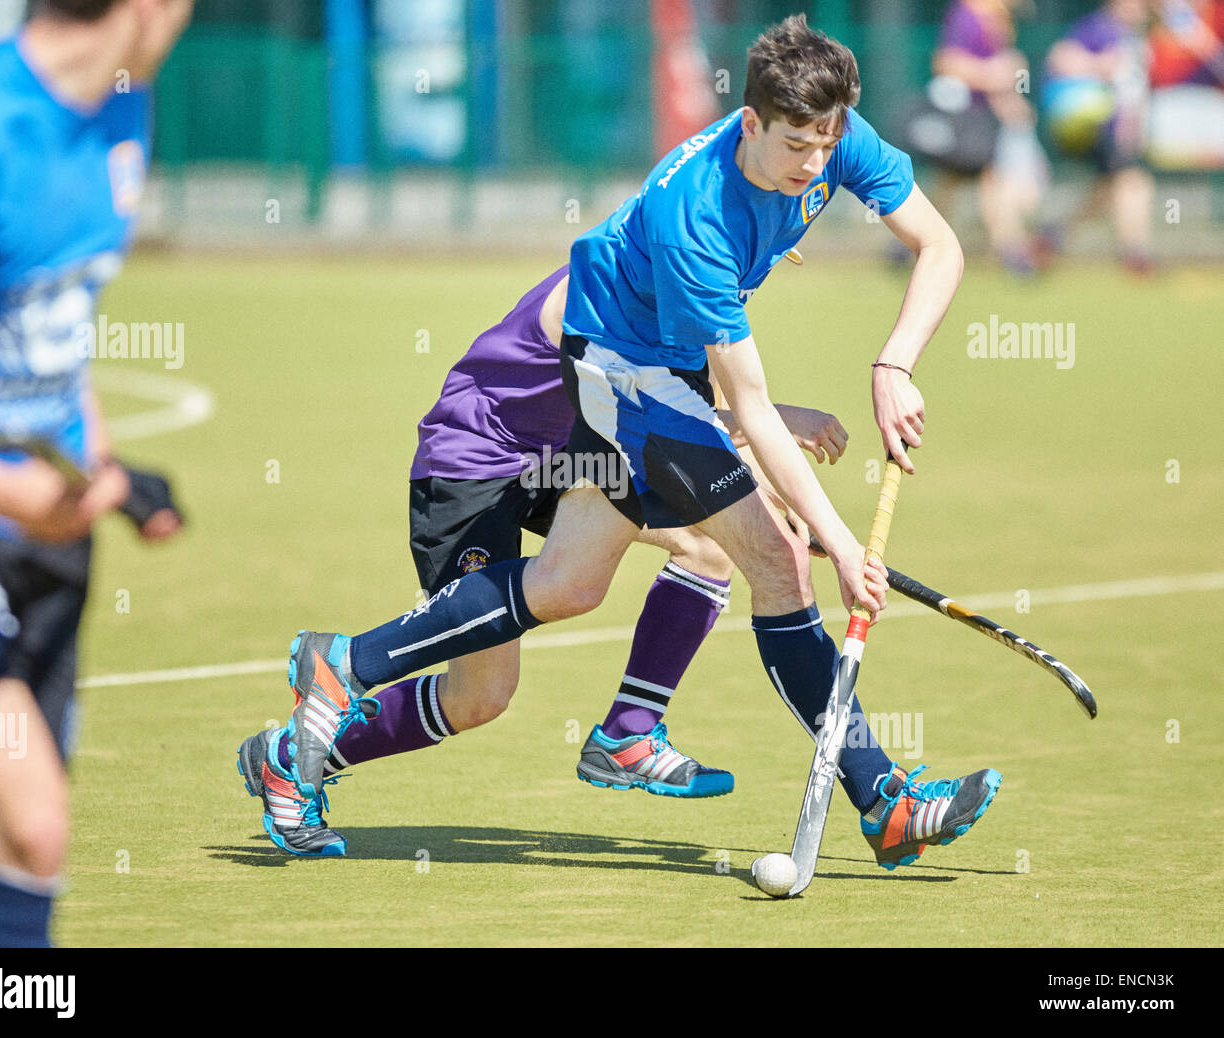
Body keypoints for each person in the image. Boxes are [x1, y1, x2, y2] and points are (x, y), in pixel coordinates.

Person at [279, 15, 1000, 874]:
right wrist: (842, 543)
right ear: (750, 123)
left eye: (826, 142)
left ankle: (355, 666)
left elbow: (939, 244)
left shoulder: (835, 138)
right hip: (609, 381)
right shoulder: (695, 217)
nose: (815, 162)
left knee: (572, 583)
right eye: (796, 144)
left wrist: (895, 363)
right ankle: (883, 801)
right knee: (779, 557)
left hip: (649, 385)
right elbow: (751, 404)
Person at [236, 261, 851, 856]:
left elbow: (683, 421)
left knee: (710, 544)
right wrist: (768, 421)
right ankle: (289, 757)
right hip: (476, 464)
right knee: (480, 696)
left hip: (567, 458)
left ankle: (629, 733)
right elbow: (651, 413)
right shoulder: (595, 294)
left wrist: (768, 508)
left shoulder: (683, 293)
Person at [0, 0, 192, 947]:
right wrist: (2, 490)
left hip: (41, 538)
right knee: (35, 831)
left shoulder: (125, 107)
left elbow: (58, 328)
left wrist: (101, 470)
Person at [929, 0, 1052, 275]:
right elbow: (946, 63)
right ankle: (1011, 251)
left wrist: (1010, 101)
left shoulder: (997, 16)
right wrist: (992, 76)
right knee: (976, 177)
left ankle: (1010, 250)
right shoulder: (967, 13)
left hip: (985, 116)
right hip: (964, 116)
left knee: (968, 178)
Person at [1044, 0, 1156, 274]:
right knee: (1134, 182)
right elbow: (1059, 59)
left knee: (1108, 190)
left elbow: (1133, 91)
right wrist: (1099, 65)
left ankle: (1053, 235)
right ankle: (1135, 255)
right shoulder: (1097, 27)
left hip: (1120, 131)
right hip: (1097, 127)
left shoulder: (1137, 36)